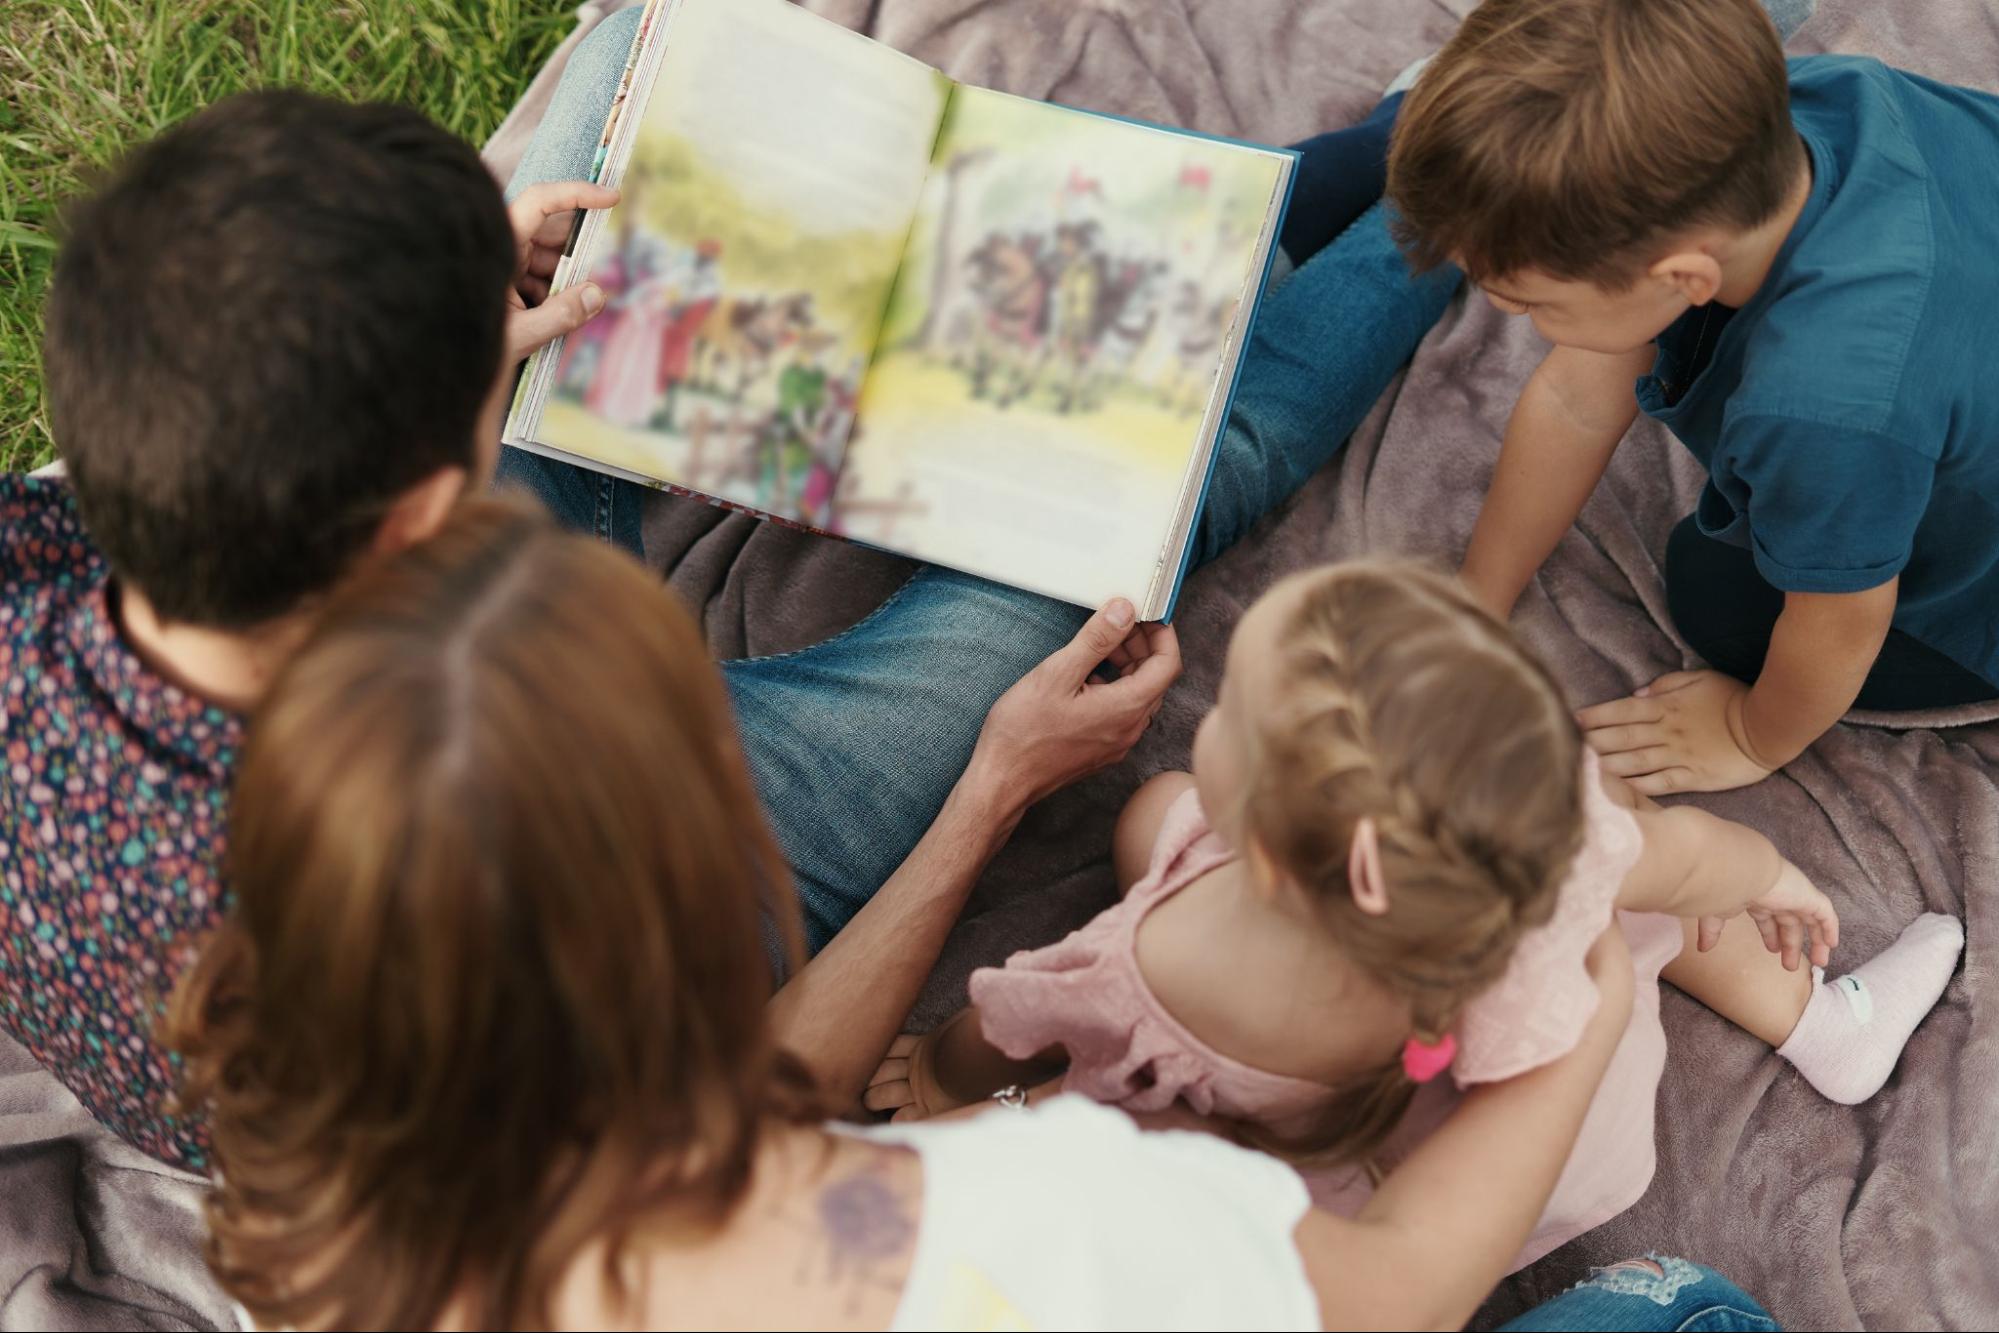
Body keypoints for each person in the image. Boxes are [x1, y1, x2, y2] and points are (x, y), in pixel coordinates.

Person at [167, 498, 1642, 1332]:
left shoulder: (328, 1236)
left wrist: (992, 789)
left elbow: (750, 1109)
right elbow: (1396, 1292)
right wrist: (1587, 994)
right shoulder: (1062, 1206)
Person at [499, 0, 1457, 955]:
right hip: (689, 859)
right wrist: (998, 786)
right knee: (1151, 500)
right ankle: (1463, 191)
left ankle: (1338, 172)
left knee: (635, 69)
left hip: (479, 651)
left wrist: (477, 335)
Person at [869, 563, 1963, 1267]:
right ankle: (1818, 1019)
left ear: (1274, 857)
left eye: (1234, 710)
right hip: (1562, 1150)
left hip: (1381, 1214)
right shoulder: (1549, 844)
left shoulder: (1155, 959)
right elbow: (1697, 858)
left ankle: (1814, 1021)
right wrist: (1772, 875)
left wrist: (947, 1073)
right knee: (1643, 886)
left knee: (1152, 811)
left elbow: (1021, 1033)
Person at [1383, 0, 1999, 794]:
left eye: (1532, 301)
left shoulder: (1819, 407)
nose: (1504, 311)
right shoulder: (1814, 100)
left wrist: (1751, 734)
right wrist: (1477, 599)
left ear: (1684, 276)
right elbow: (1576, 395)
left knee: (1715, 592)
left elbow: (1843, 620)